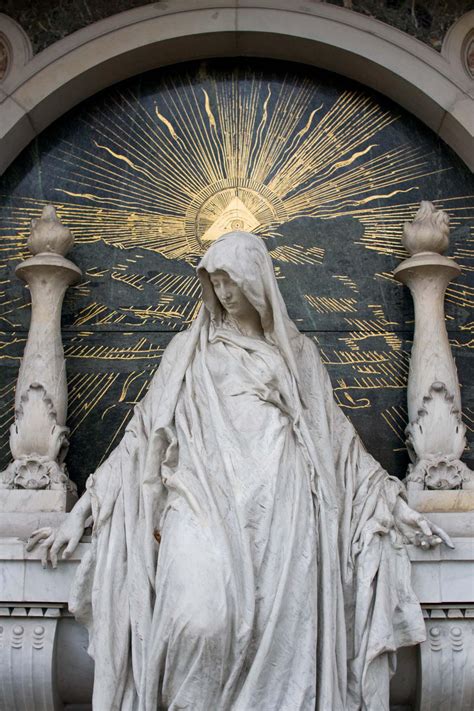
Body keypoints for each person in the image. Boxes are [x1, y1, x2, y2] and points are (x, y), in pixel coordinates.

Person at [28, 231, 451, 711]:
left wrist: (393, 503)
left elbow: (338, 445)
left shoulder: (300, 356)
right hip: (200, 498)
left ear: (256, 281)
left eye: (231, 280)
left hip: (282, 515)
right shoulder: (188, 352)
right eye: (215, 281)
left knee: (285, 633)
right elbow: (142, 438)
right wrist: (80, 512)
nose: (224, 293)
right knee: (197, 621)